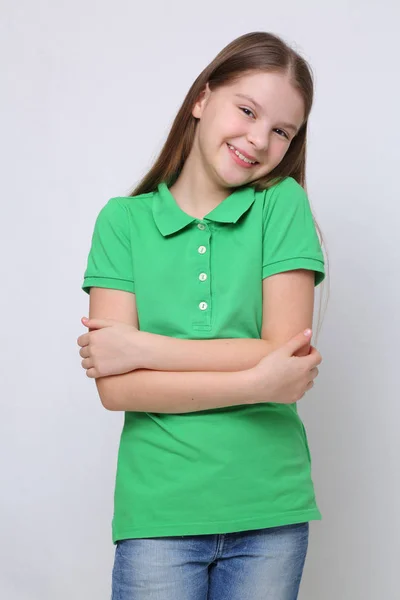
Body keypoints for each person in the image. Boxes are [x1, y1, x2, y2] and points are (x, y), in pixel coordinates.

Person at [77, 30, 327, 600]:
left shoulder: (280, 205)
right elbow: (117, 391)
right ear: (201, 98)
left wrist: (142, 348)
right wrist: (256, 381)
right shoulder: (122, 222)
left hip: (269, 510)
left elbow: (284, 349)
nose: (260, 140)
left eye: (282, 130)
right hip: (158, 514)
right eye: (247, 110)